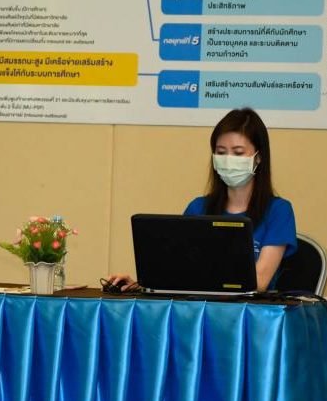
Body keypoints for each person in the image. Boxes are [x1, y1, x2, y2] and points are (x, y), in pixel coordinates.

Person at [108, 107, 296, 292]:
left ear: (258, 157)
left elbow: (260, 281)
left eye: (238, 153)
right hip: (199, 307)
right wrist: (141, 285)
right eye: (221, 152)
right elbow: (177, 271)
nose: (228, 159)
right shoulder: (198, 208)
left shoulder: (278, 211)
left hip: (250, 310)